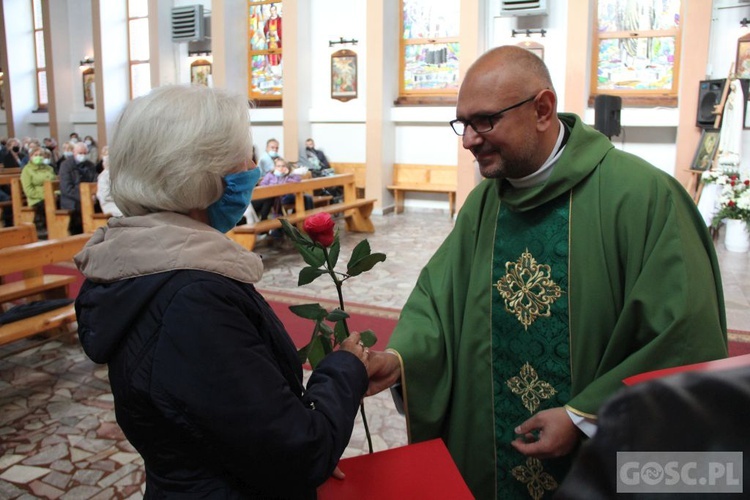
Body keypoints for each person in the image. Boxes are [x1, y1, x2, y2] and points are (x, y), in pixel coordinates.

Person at [366, 45, 728, 499]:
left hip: (600, 462)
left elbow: (684, 336)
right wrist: (400, 359)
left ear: (542, 109)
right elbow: (438, 304)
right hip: (492, 459)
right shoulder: (484, 204)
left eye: (485, 121)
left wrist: (583, 416)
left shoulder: (643, 198)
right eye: (463, 123)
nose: (468, 140)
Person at [74, 84, 370, 498]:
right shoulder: (190, 299)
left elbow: (230, 423)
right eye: (245, 155)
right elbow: (298, 451)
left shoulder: (148, 266)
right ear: (200, 175)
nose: (253, 165)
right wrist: (345, 369)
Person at [251, 156, 313, 220]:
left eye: (283, 166)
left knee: (307, 197)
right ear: (275, 167)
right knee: (304, 198)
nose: (281, 168)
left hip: (287, 195)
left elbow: (297, 180)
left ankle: (309, 218)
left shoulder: (289, 175)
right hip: (276, 198)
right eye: (278, 166)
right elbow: (262, 185)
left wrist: (289, 174)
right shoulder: (270, 175)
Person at [58, 141, 98, 234]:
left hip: (89, 197)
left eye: (85, 153)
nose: (83, 155)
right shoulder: (66, 165)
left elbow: (95, 181)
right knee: (78, 210)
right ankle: (78, 235)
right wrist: (84, 198)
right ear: (74, 152)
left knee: (101, 206)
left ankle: (96, 232)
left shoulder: (90, 165)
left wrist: (94, 195)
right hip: (72, 199)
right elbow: (66, 188)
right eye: (80, 153)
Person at [20, 147, 57, 239]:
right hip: (36, 198)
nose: (39, 157)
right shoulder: (27, 170)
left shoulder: (49, 168)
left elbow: (56, 183)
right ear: (31, 157)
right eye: (36, 155)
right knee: (44, 204)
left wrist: (56, 193)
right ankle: (42, 229)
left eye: (40, 155)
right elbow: (28, 189)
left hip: (52, 195)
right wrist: (46, 196)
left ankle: (59, 228)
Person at [95, 146, 122, 217]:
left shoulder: (118, 175)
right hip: (110, 205)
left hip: (120, 203)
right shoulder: (104, 176)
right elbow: (105, 195)